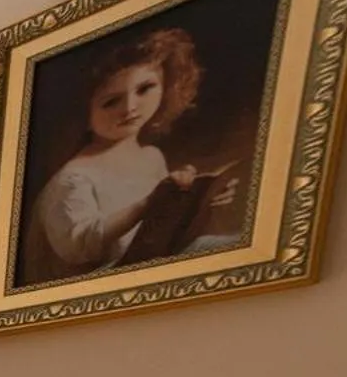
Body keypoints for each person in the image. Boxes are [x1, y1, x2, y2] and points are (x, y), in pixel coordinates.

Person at [23, 28, 241, 284]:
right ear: (83, 111)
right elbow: (78, 247)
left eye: (145, 88)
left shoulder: (151, 157)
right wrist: (146, 205)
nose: (129, 108)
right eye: (111, 102)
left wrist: (202, 200)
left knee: (227, 247)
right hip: (102, 284)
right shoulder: (73, 179)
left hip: (148, 264)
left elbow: (162, 230)